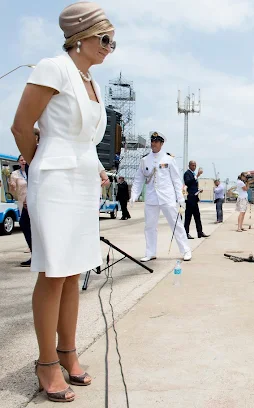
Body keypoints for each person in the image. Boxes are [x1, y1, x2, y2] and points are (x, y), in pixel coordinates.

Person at [10, 2, 115, 402]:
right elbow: (22, 126)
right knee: (53, 270)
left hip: (83, 179)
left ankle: (68, 351)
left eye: (112, 41)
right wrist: (39, 163)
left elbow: (88, 137)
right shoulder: (52, 67)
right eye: (104, 38)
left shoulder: (92, 82)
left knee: (74, 271)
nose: (109, 47)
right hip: (54, 177)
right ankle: (46, 362)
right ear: (80, 37)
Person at [131, 131, 192, 262]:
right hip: (152, 198)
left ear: (162, 143)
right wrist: (134, 194)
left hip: (167, 197)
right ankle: (150, 252)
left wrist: (180, 198)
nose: (154, 144)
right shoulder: (145, 160)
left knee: (176, 224)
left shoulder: (169, 160)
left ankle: (186, 250)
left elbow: (176, 180)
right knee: (149, 226)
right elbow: (138, 179)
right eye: (152, 141)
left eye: (156, 141)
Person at [9, 154, 33, 266]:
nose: (23, 161)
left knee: (32, 227)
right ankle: (35, 254)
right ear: (18, 162)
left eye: (25, 159)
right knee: (26, 226)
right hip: (23, 203)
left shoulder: (32, 168)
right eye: (21, 160)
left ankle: (37, 255)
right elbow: (12, 190)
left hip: (34, 202)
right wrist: (12, 187)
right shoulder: (15, 174)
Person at [183, 161, 208, 239]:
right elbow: (188, 183)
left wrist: (198, 190)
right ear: (189, 166)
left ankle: (200, 232)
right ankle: (185, 233)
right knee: (188, 217)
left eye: (195, 166)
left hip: (195, 198)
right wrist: (197, 175)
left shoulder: (193, 174)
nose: (194, 167)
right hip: (190, 199)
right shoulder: (187, 174)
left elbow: (193, 185)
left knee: (197, 216)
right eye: (193, 165)